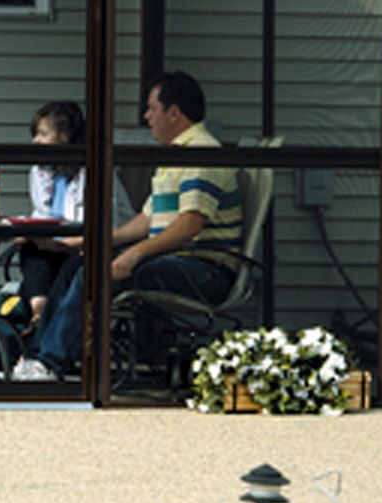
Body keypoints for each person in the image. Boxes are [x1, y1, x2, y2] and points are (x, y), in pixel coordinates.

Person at [12, 71, 242, 381]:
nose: (146, 117)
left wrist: (133, 255)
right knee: (79, 264)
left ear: (174, 113)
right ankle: (36, 357)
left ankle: (51, 363)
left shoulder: (201, 154)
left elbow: (190, 224)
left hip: (204, 270)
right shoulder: (176, 155)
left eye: (151, 109)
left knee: (97, 272)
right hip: (177, 262)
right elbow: (146, 221)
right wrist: (91, 243)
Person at [12, 102, 135, 331]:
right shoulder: (41, 171)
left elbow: (111, 230)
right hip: (56, 249)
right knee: (31, 250)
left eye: (42, 134)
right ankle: (39, 308)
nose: (35, 142)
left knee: (53, 269)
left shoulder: (96, 174)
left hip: (90, 253)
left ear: (65, 136)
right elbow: (41, 214)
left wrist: (63, 244)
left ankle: (39, 321)